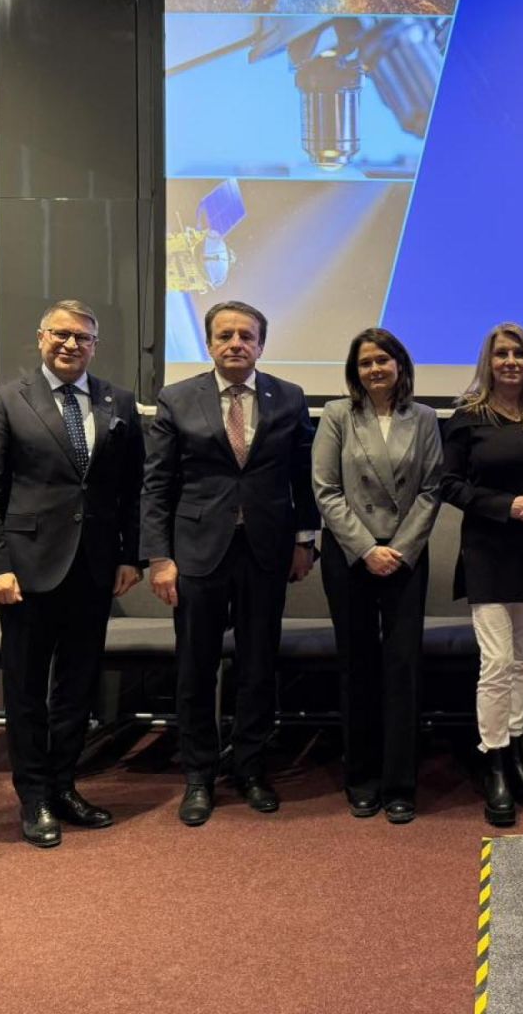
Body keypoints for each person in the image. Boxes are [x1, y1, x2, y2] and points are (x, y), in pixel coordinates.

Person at [0, 300, 145, 848]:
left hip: (94, 566)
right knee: (25, 687)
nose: (71, 345)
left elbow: (131, 487)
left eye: (83, 337)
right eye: (61, 334)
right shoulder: (3, 399)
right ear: (41, 338)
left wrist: (129, 556)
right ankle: (34, 795)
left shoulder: (118, 401)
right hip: (25, 569)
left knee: (78, 685)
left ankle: (65, 785)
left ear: (95, 345)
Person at [141, 300, 318, 826]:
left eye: (246, 335)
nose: (236, 343)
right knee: (196, 667)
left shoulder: (289, 396)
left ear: (261, 344)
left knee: (258, 665)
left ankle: (251, 768)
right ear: (209, 342)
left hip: (266, 550)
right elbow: (157, 484)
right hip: (197, 552)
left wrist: (305, 541)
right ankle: (198, 775)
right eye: (225, 335)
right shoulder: (177, 398)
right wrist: (160, 557)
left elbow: (303, 475)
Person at [441, 323, 523, 826]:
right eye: (501, 354)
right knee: (495, 662)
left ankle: (517, 756)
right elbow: (449, 484)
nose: (510, 361)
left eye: (518, 353)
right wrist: (504, 506)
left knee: (522, 660)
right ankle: (493, 762)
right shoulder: (467, 417)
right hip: (487, 552)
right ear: (488, 362)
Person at [314, 327, 443, 824]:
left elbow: (431, 489)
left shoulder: (425, 417)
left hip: (406, 556)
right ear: (355, 371)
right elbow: (326, 490)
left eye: (382, 360)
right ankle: (362, 778)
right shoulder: (336, 415)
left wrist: (399, 550)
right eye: (365, 363)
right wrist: (367, 549)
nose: (374, 369)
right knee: (358, 665)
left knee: (403, 668)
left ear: (400, 365)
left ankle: (399, 784)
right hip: (350, 555)